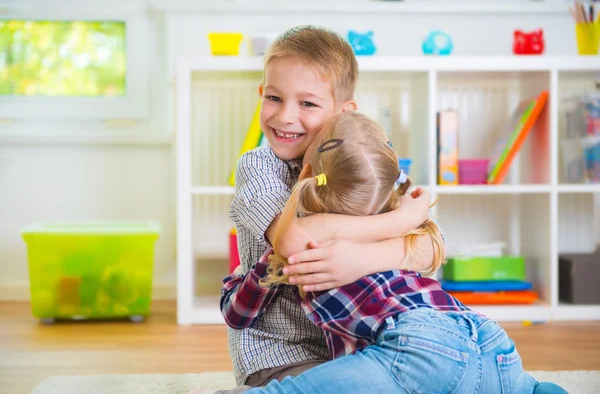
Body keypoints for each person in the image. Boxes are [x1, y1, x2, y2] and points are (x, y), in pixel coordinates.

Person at [229, 112, 566, 394]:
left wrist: (250, 275)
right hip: (491, 342)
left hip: (416, 346)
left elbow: (241, 309)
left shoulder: (307, 239)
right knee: (527, 388)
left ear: (306, 175)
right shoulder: (402, 223)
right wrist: (404, 216)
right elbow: (435, 243)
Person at [191, 25, 436, 394]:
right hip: (279, 355)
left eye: (307, 104)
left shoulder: (359, 160)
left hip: (360, 348)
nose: (286, 116)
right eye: (274, 98)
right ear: (261, 94)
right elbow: (292, 242)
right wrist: (400, 220)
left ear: (343, 111)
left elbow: (433, 246)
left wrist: (358, 260)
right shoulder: (258, 167)